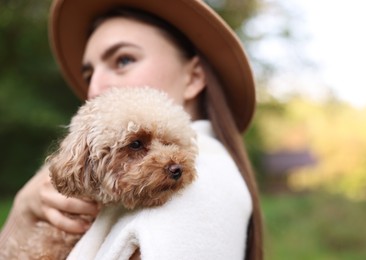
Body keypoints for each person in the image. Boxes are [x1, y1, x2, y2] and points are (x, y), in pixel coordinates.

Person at [0, 0, 263, 259]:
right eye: (89, 75)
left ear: (193, 77)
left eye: (123, 60)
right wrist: (20, 214)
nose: (94, 89)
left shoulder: (202, 188)